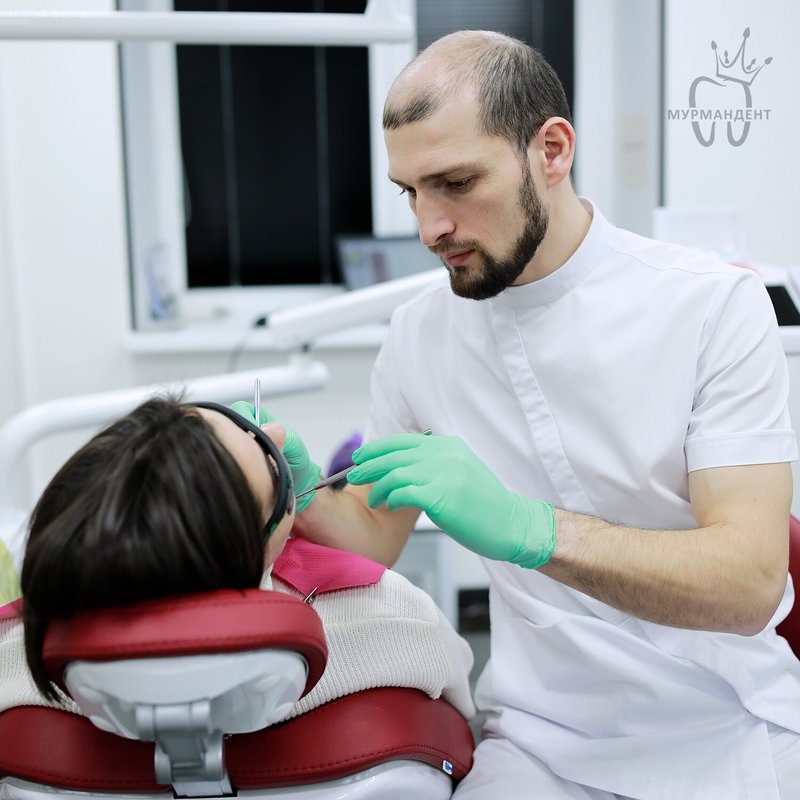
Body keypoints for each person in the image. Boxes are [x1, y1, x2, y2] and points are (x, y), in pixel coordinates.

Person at [241, 30, 800, 800]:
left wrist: (529, 529)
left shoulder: (711, 307)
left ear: (552, 151)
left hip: (725, 724)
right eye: (411, 192)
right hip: (539, 743)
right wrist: (296, 486)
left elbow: (750, 584)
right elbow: (374, 535)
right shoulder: (419, 337)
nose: (429, 227)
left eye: (456, 183)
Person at [0, 395, 474, 726]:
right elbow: (459, 703)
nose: (276, 434)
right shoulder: (395, 620)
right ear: (264, 546)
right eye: (272, 463)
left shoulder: (11, 659)